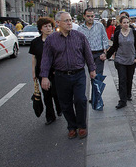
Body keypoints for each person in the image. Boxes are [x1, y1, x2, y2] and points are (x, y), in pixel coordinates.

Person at [40, 11, 96, 139]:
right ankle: (72, 126)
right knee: (65, 103)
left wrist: (92, 69)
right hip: (61, 76)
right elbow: (46, 59)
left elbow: (87, 53)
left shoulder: (80, 36)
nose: (69, 23)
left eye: (70, 20)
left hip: (79, 74)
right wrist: (44, 76)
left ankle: (82, 126)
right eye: (66, 20)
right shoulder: (51, 39)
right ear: (58, 23)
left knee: (80, 100)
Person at [29, 17, 62, 125]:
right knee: (46, 95)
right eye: (45, 26)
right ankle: (50, 116)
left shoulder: (57, 40)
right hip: (42, 72)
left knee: (56, 93)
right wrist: (34, 72)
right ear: (40, 28)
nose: (48, 28)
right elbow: (34, 58)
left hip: (56, 71)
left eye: (50, 26)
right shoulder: (35, 42)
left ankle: (59, 108)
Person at [106, 16, 136, 109]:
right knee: (122, 79)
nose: (126, 24)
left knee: (129, 79)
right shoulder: (118, 33)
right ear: (120, 23)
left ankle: (128, 94)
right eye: (124, 22)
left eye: (127, 22)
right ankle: (122, 101)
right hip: (120, 59)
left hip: (131, 59)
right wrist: (106, 55)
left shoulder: (133, 32)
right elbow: (114, 46)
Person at [78, 8, 109, 76]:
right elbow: (78, 44)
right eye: (88, 16)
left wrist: (104, 53)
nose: (90, 18)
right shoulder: (80, 29)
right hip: (85, 56)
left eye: (92, 16)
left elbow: (105, 40)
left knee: (98, 79)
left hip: (98, 55)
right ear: (84, 16)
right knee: (85, 78)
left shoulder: (100, 26)